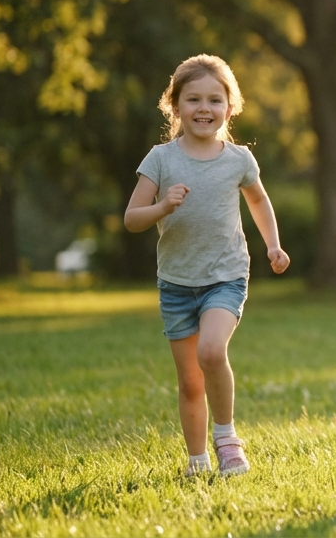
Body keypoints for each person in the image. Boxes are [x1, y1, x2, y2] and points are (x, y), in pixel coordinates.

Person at [124, 54, 290, 478]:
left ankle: (228, 441)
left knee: (212, 351)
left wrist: (273, 245)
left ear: (230, 107)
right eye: (193, 98)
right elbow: (131, 219)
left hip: (226, 275)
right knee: (190, 381)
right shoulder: (160, 159)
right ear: (174, 105)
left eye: (215, 99)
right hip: (177, 283)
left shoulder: (238, 160)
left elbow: (258, 200)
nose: (204, 108)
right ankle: (197, 463)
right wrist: (162, 205)